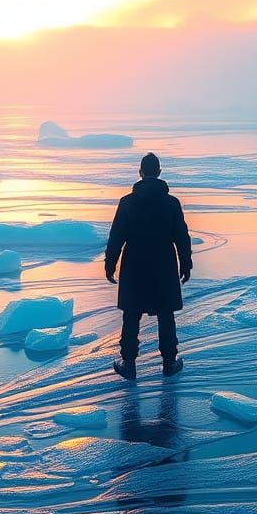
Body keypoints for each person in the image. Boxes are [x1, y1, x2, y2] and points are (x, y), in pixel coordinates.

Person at [105, 151, 192, 380]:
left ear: (140, 173)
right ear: (159, 173)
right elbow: (181, 236)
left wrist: (109, 263)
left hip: (135, 266)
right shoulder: (171, 203)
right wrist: (186, 262)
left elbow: (117, 236)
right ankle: (169, 363)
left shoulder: (127, 202)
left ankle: (129, 365)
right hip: (163, 265)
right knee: (166, 315)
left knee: (131, 315)